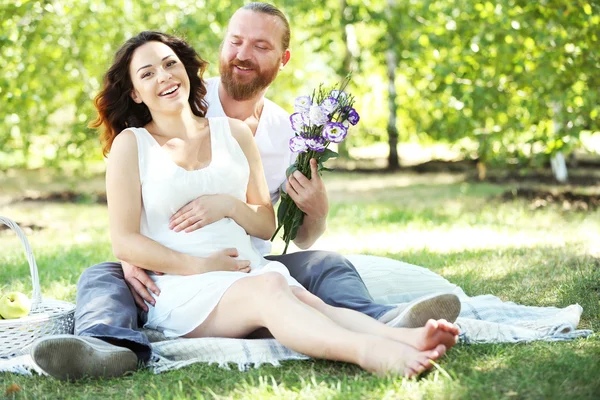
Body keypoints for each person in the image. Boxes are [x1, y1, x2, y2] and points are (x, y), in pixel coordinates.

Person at [31, 3, 460, 380]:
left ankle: (396, 331)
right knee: (104, 275)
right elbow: (125, 236)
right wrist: (186, 263)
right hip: (182, 282)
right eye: (148, 73)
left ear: (281, 59)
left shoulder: (254, 132)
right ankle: (106, 346)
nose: (164, 76)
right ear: (135, 92)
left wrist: (240, 207)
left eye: (169, 64)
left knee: (306, 289)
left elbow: (270, 223)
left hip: (249, 263)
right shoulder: (133, 143)